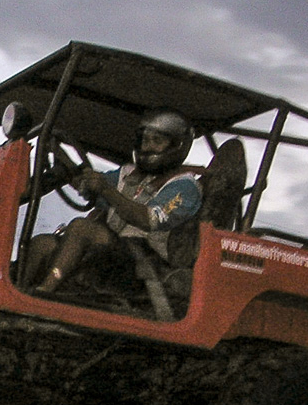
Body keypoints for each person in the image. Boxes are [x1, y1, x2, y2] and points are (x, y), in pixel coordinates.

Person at [30, 109, 202, 296]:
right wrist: (62, 158)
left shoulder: (184, 186)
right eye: (145, 140)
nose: (147, 147)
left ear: (177, 146)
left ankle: (45, 291)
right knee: (43, 243)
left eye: (157, 141)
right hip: (113, 251)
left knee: (82, 228)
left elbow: (149, 219)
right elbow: (88, 185)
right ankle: (18, 292)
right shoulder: (128, 174)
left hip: (144, 262)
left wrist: (106, 190)